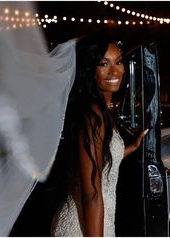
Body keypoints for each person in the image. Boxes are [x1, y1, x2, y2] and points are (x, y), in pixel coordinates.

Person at [50, 32, 148, 237]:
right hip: (85, 225)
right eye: (104, 64)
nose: (115, 71)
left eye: (119, 62)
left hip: (96, 218)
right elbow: (92, 193)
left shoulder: (101, 110)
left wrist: (130, 147)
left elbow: (99, 160)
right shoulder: (93, 118)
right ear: (89, 70)